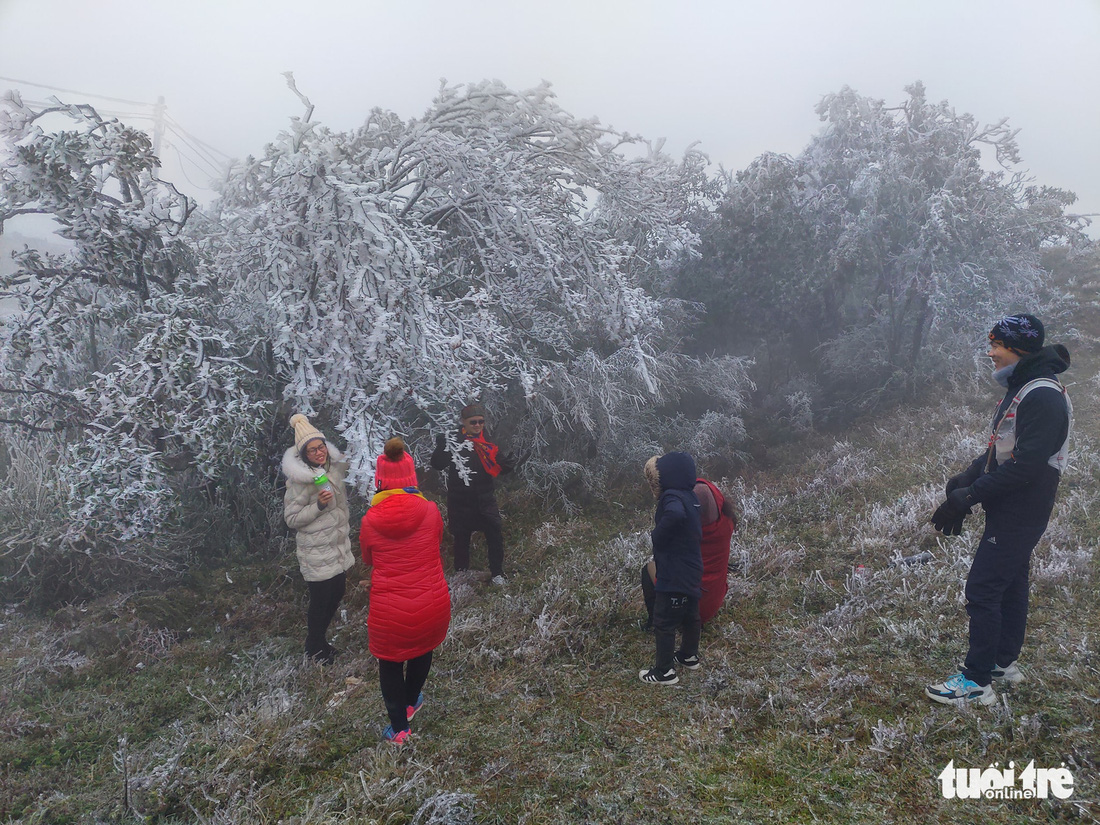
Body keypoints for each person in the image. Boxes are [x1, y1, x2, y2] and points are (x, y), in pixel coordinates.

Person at [926, 314, 1071, 706]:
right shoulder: (1024, 388)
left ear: (1019, 349)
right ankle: (1002, 664)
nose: (990, 352)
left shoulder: (1042, 394)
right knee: (1009, 580)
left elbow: (1028, 465)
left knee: (984, 588)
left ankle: (975, 683)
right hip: (1014, 503)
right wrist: (965, 479)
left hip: (1023, 505)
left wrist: (967, 497)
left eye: (996, 345)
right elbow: (1003, 446)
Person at [360, 437, 451, 745]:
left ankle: (399, 729)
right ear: (412, 478)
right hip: (431, 601)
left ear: (380, 481)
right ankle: (412, 701)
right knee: (422, 649)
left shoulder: (370, 521)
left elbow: (368, 558)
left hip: (389, 610)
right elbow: (435, 542)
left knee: (390, 663)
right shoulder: (431, 511)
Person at [281, 413, 355, 665]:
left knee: (337, 593)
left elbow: (358, 462)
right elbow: (291, 519)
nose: (319, 452)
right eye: (312, 450)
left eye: (321, 446)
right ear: (304, 455)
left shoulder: (333, 468)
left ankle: (320, 642)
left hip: (336, 547)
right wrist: (318, 507)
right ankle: (314, 648)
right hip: (316, 552)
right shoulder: (300, 482)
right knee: (321, 601)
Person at [430, 403, 515, 584]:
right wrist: (441, 446)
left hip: (485, 499)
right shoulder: (453, 440)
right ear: (463, 422)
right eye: (473, 422)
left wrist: (508, 465)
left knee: (495, 535)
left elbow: (498, 463)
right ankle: (462, 576)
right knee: (461, 539)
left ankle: (497, 574)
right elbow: (437, 464)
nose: (477, 425)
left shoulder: (487, 441)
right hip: (460, 501)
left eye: (481, 422)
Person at [639, 452, 703, 686]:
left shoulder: (671, 497)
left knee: (664, 621)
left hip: (674, 571)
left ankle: (665, 671)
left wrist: (657, 535)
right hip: (693, 568)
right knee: (690, 616)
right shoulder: (691, 496)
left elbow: (675, 515)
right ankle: (689, 656)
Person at [641, 476, 738, 630]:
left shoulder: (684, 535)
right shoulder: (726, 523)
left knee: (648, 569)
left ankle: (656, 622)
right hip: (711, 604)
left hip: (688, 609)